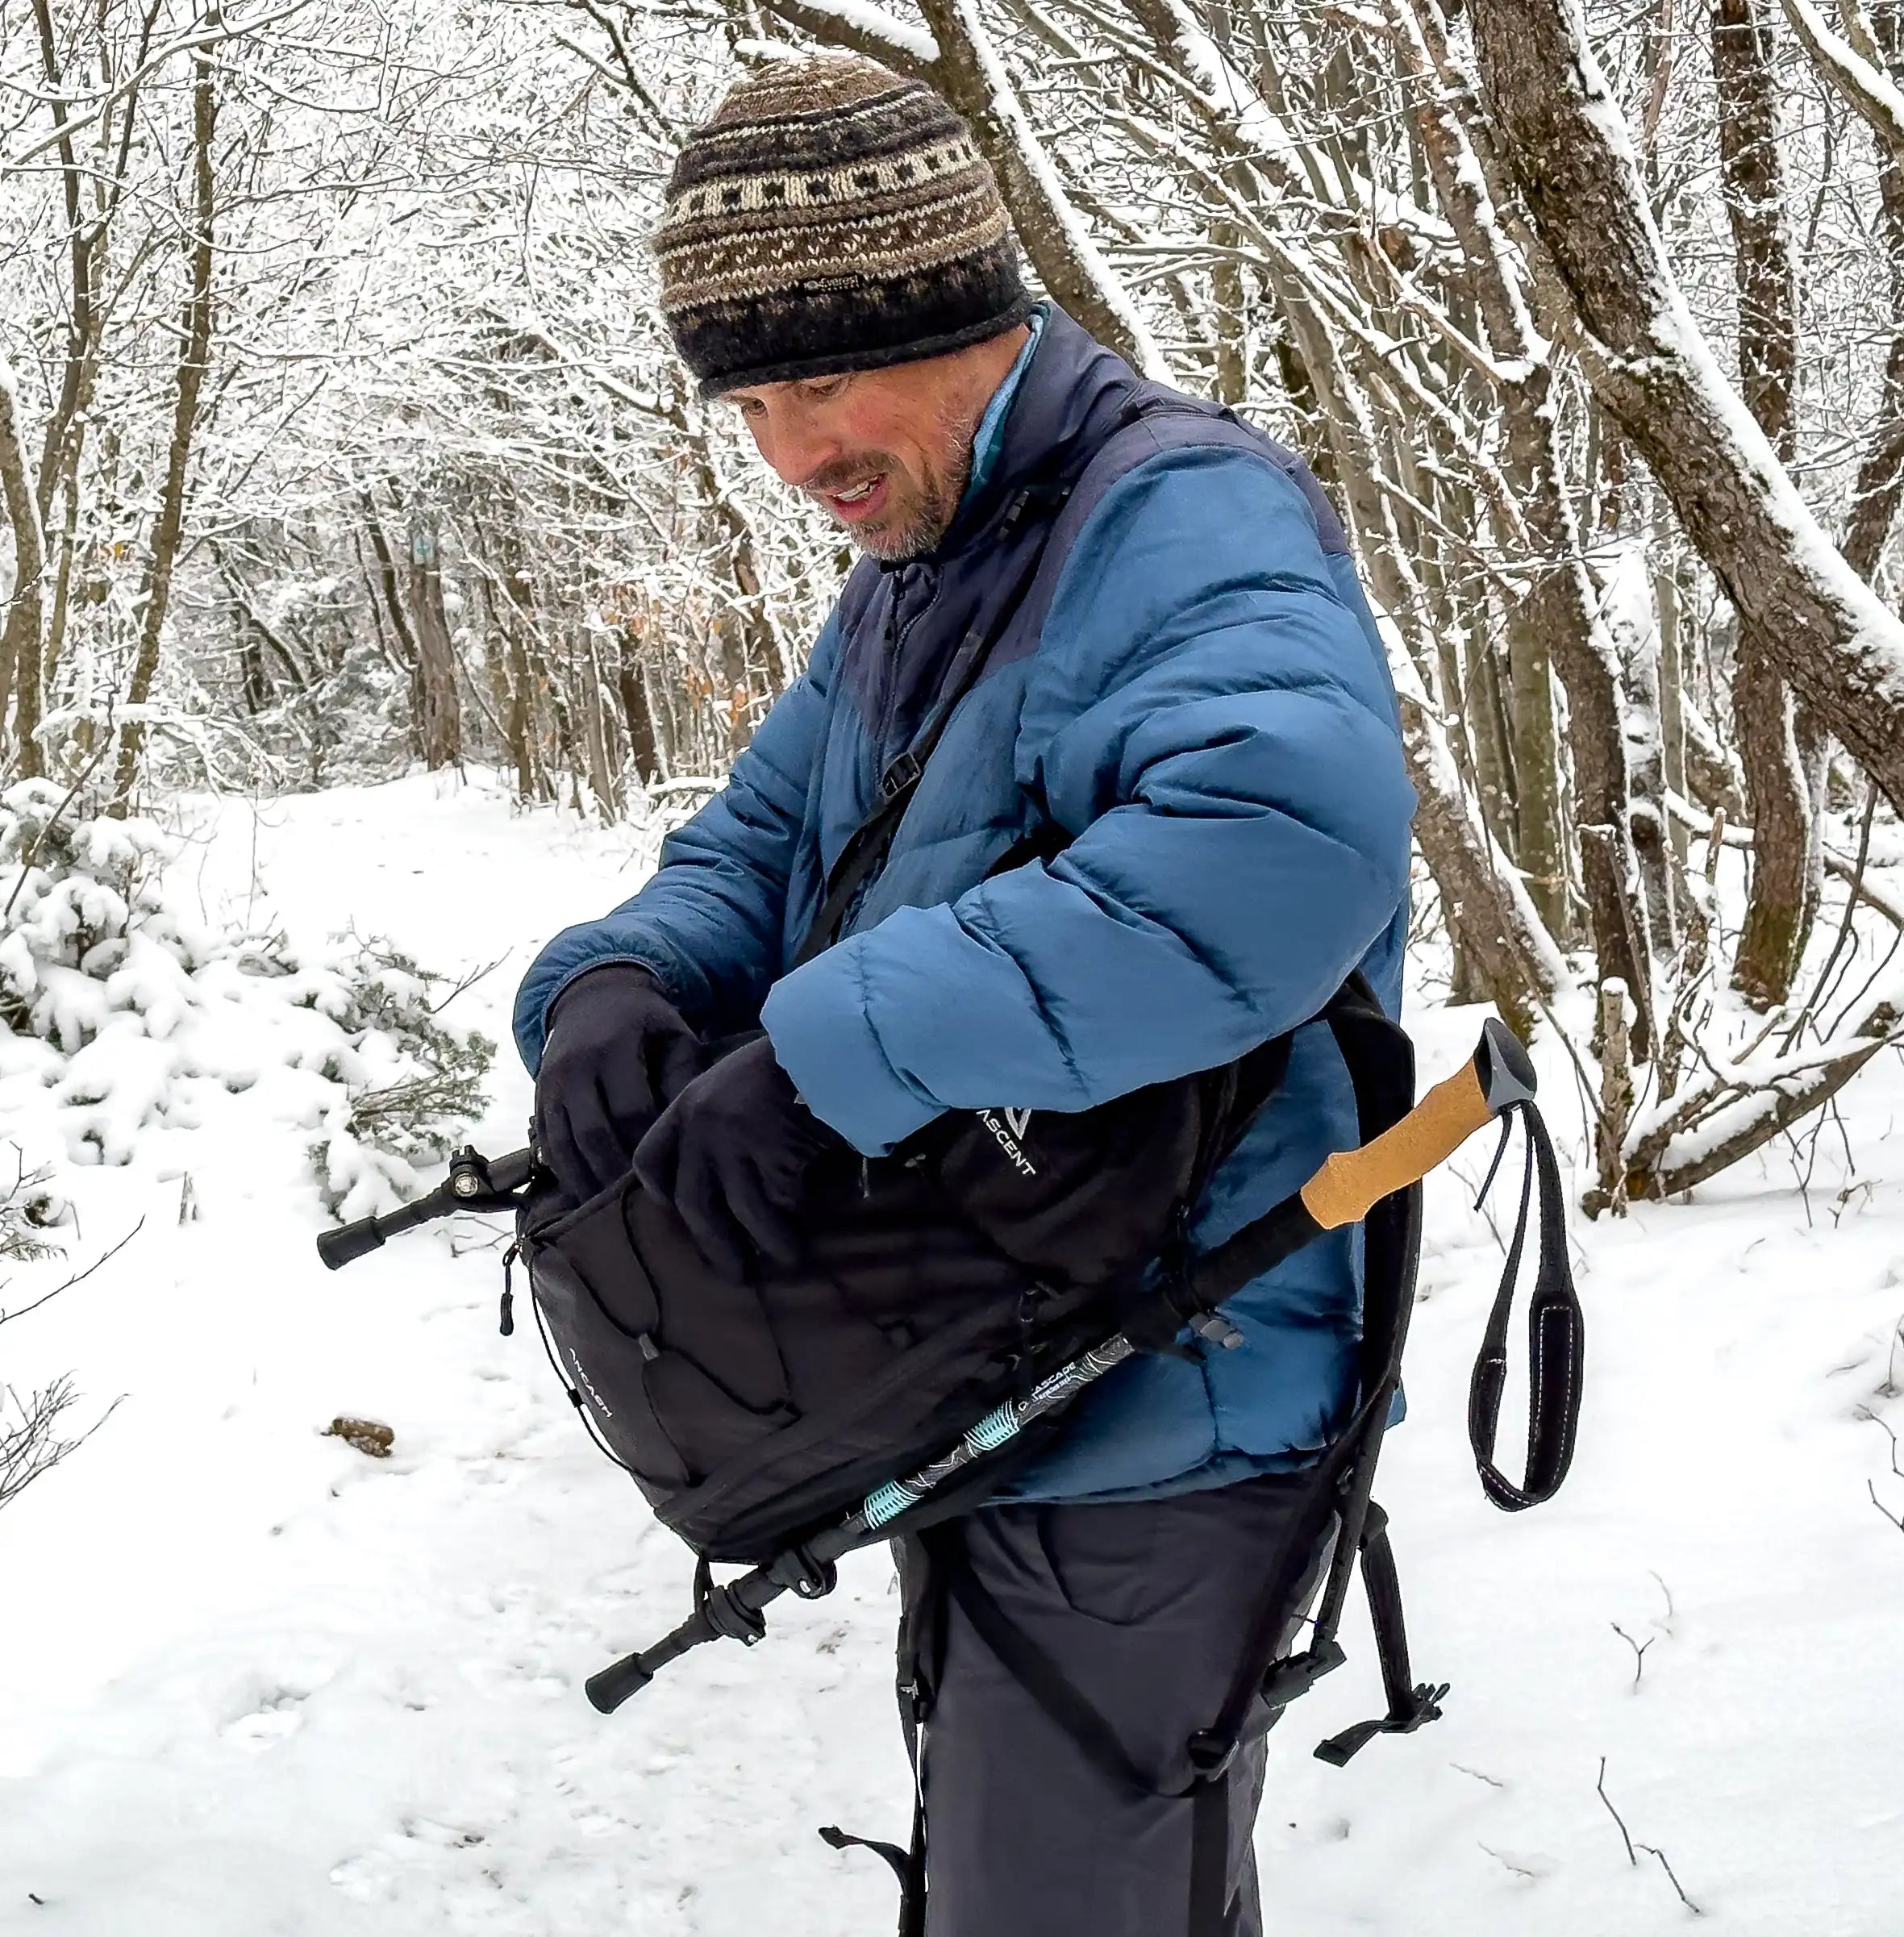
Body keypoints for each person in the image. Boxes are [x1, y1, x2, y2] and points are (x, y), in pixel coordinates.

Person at [513, 52, 1414, 1937]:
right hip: (1016, 1360)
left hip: (1184, 1384)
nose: (789, 455)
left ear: (963, 310)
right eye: (748, 402)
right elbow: (756, 849)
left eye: (821, 383)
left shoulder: (1171, 519)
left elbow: (1273, 857)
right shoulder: (924, 567)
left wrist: (837, 1044)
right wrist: (610, 984)